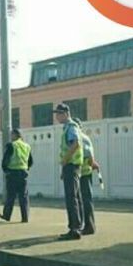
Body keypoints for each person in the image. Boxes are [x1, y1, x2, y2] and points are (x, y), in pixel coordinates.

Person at [54, 103, 84, 240]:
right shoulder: (68, 128)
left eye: (59, 114)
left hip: (71, 165)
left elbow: (75, 144)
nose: (57, 117)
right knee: (75, 197)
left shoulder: (71, 127)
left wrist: (65, 160)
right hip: (71, 166)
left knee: (71, 198)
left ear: (66, 113)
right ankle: (76, 226)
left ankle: (75, 229)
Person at [0, 128, 34, 223]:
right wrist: (26, 169)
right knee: (24, 196)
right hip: (23, 173)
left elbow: (5, 160)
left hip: (12, 173)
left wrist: (6, 171)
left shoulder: (11, 145)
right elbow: (30, 161)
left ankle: (7, 215)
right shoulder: (27, 146)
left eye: (11, 135)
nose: (10, 137)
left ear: (14, 135)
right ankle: (25, 217)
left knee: (11, 195)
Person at [75, 118, 100, 235]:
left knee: (85, 199)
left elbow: (88, 155)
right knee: (83, 199)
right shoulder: (82, 137)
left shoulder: (81, 138)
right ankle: (86, 225)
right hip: (83, 172)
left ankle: (89, 226)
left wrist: (92, 163)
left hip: (83, 173)